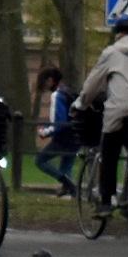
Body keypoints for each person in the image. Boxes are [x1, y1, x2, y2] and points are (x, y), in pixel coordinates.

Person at [77, 14, 128, 209]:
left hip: (120, 110)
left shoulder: (112, 52)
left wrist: (81, 104)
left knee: (109, 152)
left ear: (118, 33)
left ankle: (106, 202)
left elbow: (93, 84)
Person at [31, 66, 80, 195]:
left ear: (50, 80)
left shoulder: (57, 95)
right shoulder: (68, 91)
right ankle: (72, 193)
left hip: (63, 138)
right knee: (66, 167)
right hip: (76, 136)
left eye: (44, 81)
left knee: (40, 161)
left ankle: (68, 184)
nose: (43, 85)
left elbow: (59, 123)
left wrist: (44, 132)